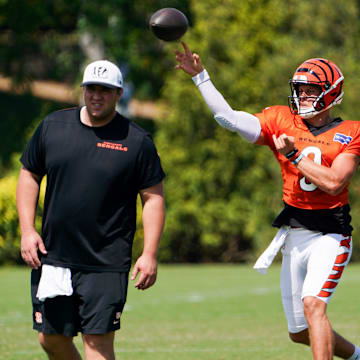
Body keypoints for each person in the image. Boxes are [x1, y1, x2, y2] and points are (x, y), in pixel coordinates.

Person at [174, 42, 360, 360]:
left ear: (330, 94)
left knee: (314, 305)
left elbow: (333, 182)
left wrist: (293, 153)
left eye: (310, 90)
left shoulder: (351, 131)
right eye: (299, 89)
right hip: (294, 233)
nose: (302, 96)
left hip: (331, 233)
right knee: (299, 331)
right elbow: (229, 119)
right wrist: (201, 77)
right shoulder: (280, 119)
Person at [16, 59, 166, 360]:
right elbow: (29, 175)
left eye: (106, 90)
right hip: (54, 257)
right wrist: (28, 230)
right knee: (51, 339)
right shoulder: (52, 127)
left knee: (96, 345)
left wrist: (149, 253)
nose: (97, 96)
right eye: (91, 89)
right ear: (82, 90)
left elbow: (153, 198)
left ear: (119, 93)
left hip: (106, 262)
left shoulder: (136, 141)